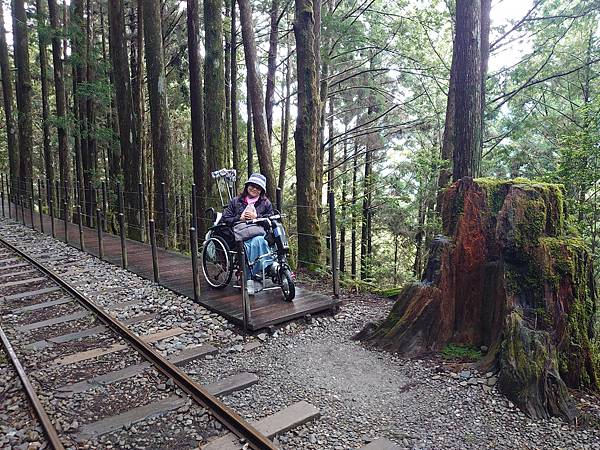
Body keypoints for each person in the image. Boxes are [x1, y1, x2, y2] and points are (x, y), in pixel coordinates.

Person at [221, 173, 274, 294]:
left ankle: (249, 276)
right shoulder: (236, 201)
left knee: (258, 241)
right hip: (240, 234)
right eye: (252, 185)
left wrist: (257, 217)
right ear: (247, 186)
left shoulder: (265, 203)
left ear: (262, 190)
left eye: (258, 187)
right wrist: (239, 218)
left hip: (258, 233)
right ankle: (252, 275)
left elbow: (271, 220)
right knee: (254, 243)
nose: (254, 189)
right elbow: (225, 218)